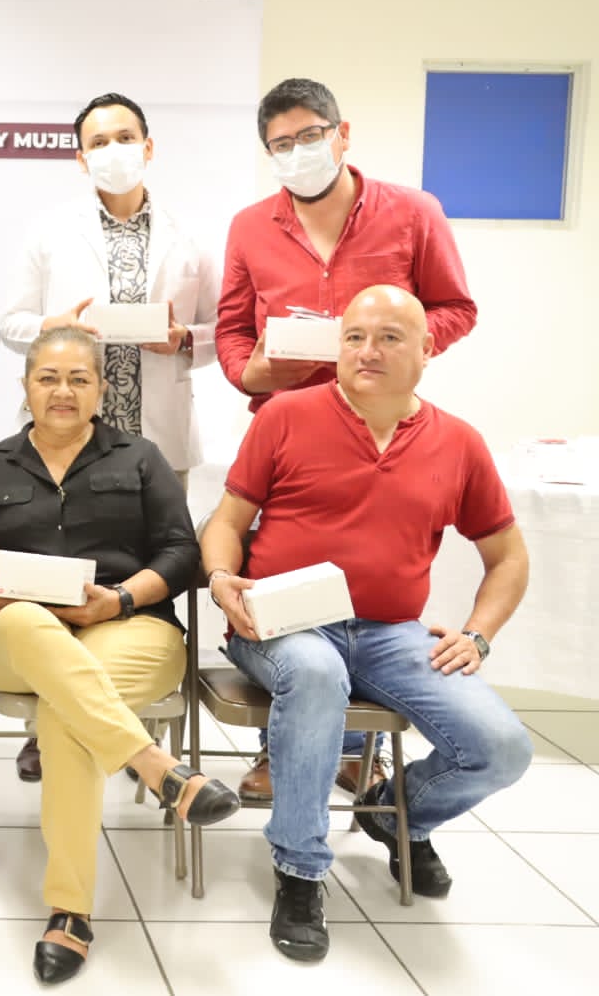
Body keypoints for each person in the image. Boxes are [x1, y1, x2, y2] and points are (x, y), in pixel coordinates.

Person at [202, 286, 531, 963]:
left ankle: (399, 812)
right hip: (282, 622)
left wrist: (478, 633)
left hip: (389, 633)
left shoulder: (458, 442)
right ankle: (300, 870)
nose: (366, 351)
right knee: (317, 673)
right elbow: (227, 522)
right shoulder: (286, 415)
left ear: (427, 349)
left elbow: (508, 557)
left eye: (388, 337)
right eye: (353, 337)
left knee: (503, 747)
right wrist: (220, 576)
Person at [0, 326, 239, 984]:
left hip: (128, 626)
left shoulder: (141, 457)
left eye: (79, 379)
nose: (63, 391)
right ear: (25, 387)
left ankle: (69, 911)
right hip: (13, 634)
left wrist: (121, 600)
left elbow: (181, 554)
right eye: (48, 378)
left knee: (66, 711)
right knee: (26, 621)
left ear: (102, 388)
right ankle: (156, 767)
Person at [217, 78, 479, 801]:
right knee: (289, 591)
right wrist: (252, 372)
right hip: (289, 429)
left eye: (310, 136)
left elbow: (455, 307)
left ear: (342, 133)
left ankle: (357, 755)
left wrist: (388, 345)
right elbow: (233, 333)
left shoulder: (413, 213)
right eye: (281, 144)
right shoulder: (250, 227)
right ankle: (286, 750)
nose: (297, 152)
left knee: (366, 587)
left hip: (380, 425)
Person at [0, 91, 219, 782]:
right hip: (65, 442)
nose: (113, 151)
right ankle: (49, 724)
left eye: (125, 137)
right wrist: (54, 326)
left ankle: (126, 719)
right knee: (56, 580)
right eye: (98, 142)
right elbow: (10, 322)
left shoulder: (190, 236)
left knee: (151, 578)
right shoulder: (48, 231)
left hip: (156, 441)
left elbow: (223, 332)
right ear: (79, 157)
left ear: (149, 148)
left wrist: (185, 338)